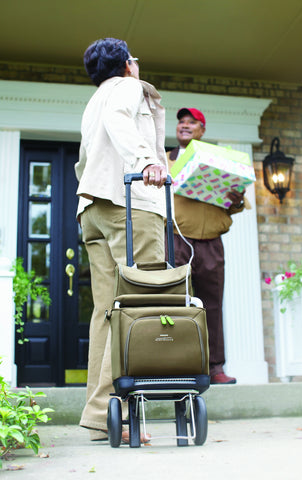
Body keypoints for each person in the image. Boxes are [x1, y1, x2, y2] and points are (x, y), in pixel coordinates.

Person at [75, 38, 167, 441]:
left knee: (106, 313)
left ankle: (100, 417)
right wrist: (146, 159)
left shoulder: (94, 99)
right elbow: (121, 119)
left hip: (93, 207)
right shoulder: (127, 88)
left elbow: (84, 160)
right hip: (129, 205)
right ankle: (123, 417)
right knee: (140, 306)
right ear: (127, 64)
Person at [167, 108, 250, 384]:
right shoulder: (163, 161)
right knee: (178, 303)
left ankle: (215, 368)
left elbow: (237, 205)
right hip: (177, 239)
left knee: (212, 306)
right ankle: (178, 366)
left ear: (202, 130)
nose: (185, 126)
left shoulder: (217, 161)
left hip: (212, 243)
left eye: (192, 122)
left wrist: (236, 198)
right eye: (181, 122)